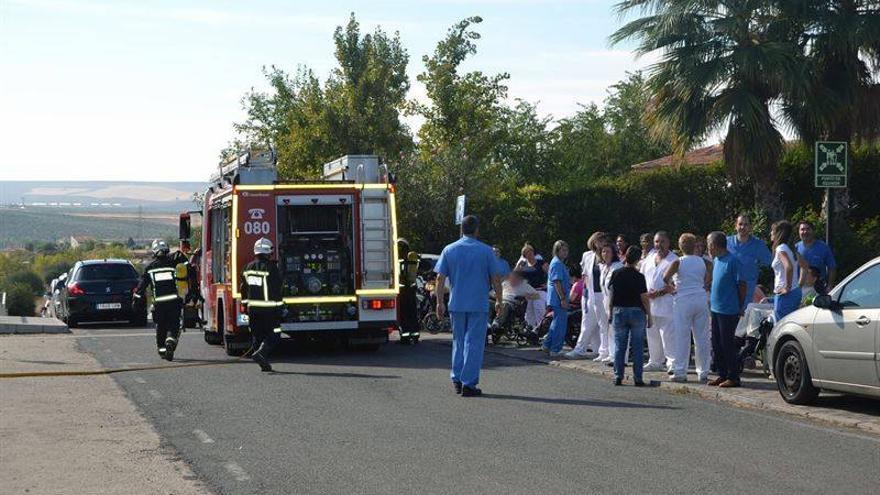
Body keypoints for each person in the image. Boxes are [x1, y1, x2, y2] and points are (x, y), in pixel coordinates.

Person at [434, 215, 504, 397]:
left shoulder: (449, 249)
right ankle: (469, 382)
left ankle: (457, 378)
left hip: (457, 303)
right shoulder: (486, 251)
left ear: (462, 229)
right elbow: (495, 278)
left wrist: (439, 302)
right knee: (474, 343)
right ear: (477, 230)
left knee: (458, 341)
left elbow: (440, 278)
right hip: (478, 303)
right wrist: (499, 299)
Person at [663, 233, 713, 383]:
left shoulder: (678, 262)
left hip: (683, 300)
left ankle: (680, 371)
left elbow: (665, 277)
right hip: (700, 297)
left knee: (682, 337)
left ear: (680, 247)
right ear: (694, 246)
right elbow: (708, 278)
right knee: (702, 337)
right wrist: (703, 285)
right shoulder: (705, 262)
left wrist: (672, 288)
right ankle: (703, 371)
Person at [707, 231, 747, 388]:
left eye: (708, 244)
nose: (708, 248)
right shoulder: (717, 260)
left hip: (728, 310)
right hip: (716, 309)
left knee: (727, 344)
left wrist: (740, 305)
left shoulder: (733, 261)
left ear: (714, 245)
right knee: (716, 344)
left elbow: (742, 285)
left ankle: (733, 376)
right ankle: (722, 374)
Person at [608, 246, 650, 386]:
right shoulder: (639, 276)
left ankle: (618, 375)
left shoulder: (616, 273)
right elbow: (644, 297)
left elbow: (611, 294)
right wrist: (649, 314)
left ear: (625, 256)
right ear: (638, 260)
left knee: (620, 346)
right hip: (637, 311)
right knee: (637, 346)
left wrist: (610, 311)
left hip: (619, 310)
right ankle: (638, 377)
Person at [134, 240, 183, 361]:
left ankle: (162, 350)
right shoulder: (173, 264)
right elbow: (186, 271)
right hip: (174, 302)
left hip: (159, 304)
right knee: (174, 325)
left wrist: (136, 300)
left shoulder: (150, 268)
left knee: (161, 327)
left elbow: (141, 287)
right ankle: (170, 341)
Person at [240, 237, 284, 372]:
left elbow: (243, 289)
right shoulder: (272, 268)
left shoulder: (247, 268)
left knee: (258, 335)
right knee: (274, 333)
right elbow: (277, 289)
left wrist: (245, 306)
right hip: (269, 309)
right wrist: (280, 308)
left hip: (253, 309)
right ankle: (261, 354)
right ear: (268, 252)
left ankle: (263, 362)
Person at [564, 232, 605, 360]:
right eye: (599, 240)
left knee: (602, 325)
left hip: (603, 294)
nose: (601, 243)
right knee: (587, 323)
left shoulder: (607, 255)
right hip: (589, 294)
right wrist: (585, 294)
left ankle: (602, 351)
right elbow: (585, 275)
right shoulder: (587, 255)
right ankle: (581, 349)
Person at [641, 231, 678, 372]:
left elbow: (675, 286)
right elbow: (642, 277)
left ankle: (672, 363)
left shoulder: (674, 260)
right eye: (657, 242)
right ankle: (655, 361)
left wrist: (659, 293)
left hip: (667, 303)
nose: (659, 245)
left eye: (662, 241)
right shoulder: (649, 258)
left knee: (668, 335)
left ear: (669, 243)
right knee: (652, 333)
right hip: (649, 303)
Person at [726, 213, 772, 312]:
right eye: (740, 224)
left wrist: (754, 264)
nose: (743, 227)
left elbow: (769, 262)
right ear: (736, 226)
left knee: (745, 324)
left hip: (748, 292)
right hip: (729, 291)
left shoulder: (758, 244)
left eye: (746, 224)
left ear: (750, 227)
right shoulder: (726, 242)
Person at [770, 220, 808, 321]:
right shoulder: (791, 249)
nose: (771, 233)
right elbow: (805, 266)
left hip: (785, 295)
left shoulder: (780, 249)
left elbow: (789, 267)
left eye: (772, 231)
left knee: (781, 326)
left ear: (778, 233)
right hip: (795, 292)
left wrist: (787, 287)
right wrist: (798, 285)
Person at [542, 241, 572, 357]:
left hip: (557, 298)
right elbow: (557, 282)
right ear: (557, 251)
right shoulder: (557, 264)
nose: (565, 253)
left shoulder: (558, 263)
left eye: (566, 250)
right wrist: (563, 298)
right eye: (563, 250)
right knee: (560, 324)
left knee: (556, 321)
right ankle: (555, 349)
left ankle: (547, 344)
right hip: (558, 298)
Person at [599, 243, 624, 364]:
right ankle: (611, 354)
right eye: (603, 251)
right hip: (606, 302)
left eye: (608, 251)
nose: (605, 254)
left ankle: (619, 357)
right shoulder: (604, 267)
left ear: (613, 253)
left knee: (617, 330)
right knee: (609, 329)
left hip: (616, 302)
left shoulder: (617, 266)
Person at [515, 243, 548, 329]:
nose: (529, 253)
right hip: (529, 293)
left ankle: (541, 330)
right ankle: (531, 332)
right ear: (524, 255)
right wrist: (518, 266)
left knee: (539, 310)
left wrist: (548, 284)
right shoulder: (524, 265)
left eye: (531, 251)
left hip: (540, 290)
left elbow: (551, 274)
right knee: (529, 314)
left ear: (534, 252)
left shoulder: (541, 262)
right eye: (527, 252)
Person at [796, 221, 837, 288]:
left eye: (808, 229)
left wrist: (829, 286)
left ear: (813, 231)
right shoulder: (795, 248)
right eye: (802, 229)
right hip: (800, 288)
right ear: (799, 232)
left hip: (819, 288)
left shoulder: (823, 247)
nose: (805, 232)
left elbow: (832, 267)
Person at [397, 238, 420, 345]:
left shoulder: (399, 259)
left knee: (404, 314)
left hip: (402, 291)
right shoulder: (412, 258)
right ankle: (415, 336)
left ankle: (405, 338)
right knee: (413, 313)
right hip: (411, 289)